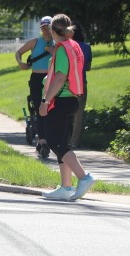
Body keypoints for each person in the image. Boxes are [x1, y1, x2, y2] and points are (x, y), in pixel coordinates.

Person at [38, 14, 96, 201]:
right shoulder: (74, 46)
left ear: (54, 31)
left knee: (54, 142)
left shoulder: (62, 49)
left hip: (60, 101)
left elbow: (60, 77)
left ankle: (84, 177)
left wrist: (46, 101)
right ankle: (65, 186)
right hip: (71, 100)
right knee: (62, 143)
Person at [15, 16, 56, 157]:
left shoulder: (57, 43)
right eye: (43, 28)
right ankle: (42, 141)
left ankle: (49, 139)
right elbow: (18, 52)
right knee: (39, 108)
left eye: (48, 28)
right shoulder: (35, 42)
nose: (46, 30)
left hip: (52, 79)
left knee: (51, 109)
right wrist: (21, 63)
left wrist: (54, 51)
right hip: (37, 78)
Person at [69, 24, 92, 148]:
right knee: (79, 113)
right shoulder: (87, 47)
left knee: (64, 110)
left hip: (67, 81)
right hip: (81, 82)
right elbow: (88, 67)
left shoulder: (68, 46)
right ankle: (74, 141)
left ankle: (64, 137)